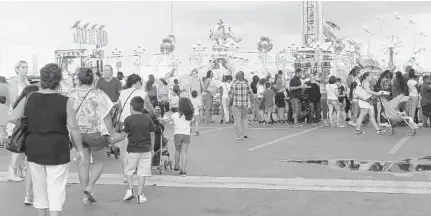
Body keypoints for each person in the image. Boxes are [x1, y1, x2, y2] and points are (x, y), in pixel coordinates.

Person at [9, 63, 84, 216]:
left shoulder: (29, 97)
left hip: (34, 146)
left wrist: (29, 121)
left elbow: (13, 117)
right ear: (59, 81)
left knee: (39, 187)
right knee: (56, 188)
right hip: (58, 147)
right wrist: (80, 150)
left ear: (41, 80)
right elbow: (74, 128)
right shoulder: (66, 101)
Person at [68, 67, 114, 204]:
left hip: (77, 133)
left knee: (83, 162)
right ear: (92, 79)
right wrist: (111, 134)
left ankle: (85, 194)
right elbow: (107, 116)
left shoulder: (71, 95)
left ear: (79, 79)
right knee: (99, 161)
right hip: (96, 133)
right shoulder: (99, 94)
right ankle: (90, 186)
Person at [110, 96, 155, 204]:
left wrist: (112, 141)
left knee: (129, 170)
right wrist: (152, 148)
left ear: (131, 107)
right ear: (143, 107)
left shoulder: (128, 119)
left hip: (132, 150)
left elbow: (122, 136)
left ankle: (130, 189)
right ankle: (140, 195)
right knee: (142, 172)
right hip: (145, 150)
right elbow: (152, 133)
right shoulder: (147, 118)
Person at [117, 74, 154, 183]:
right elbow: (150, 107)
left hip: (124, 121)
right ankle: (138, 171)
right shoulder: (142, 93)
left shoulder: (122, 93)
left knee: (124, 149)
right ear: (137, 82)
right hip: (138, 122)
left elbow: (119, 109)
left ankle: (125, 174)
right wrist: (153, 114)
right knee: (139, 147)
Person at [7, 60, 31, 182]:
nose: (25, 69)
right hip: (18, 114)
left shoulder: (26, 81)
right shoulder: (13, 81)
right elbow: (13, 100)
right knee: (17, 142)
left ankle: (21, 169)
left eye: (26, 67)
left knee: (24, 144)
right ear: (17, 69)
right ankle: (12, 171)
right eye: (22, 67)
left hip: (26, 113)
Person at [160, 97, 194, 176]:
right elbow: (191, 124)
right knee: (184, 152)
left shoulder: (175, 115)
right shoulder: (190, 116)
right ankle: (183, 170)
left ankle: (177, 166)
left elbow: (166, 121)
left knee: (177, 150)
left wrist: (161, 119)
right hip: (186, 134)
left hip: (178, 134)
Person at [229, 71, 253, 140]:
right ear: (243, 76)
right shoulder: (246, 84)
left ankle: (239, 135)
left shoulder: (234, 84)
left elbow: (230, 95)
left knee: (237, 119)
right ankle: (245, 133)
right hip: (245, 104)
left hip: (236, 104)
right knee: (245, 119)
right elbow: (251, 93)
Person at [0, 76, 9, 147]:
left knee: (1, 131)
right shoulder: (8, 86)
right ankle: (6, 142)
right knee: (5, 130)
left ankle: (1, 143)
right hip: (8, 110)